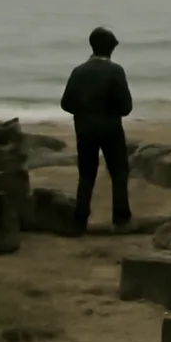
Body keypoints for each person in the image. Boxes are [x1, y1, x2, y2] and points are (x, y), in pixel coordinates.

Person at [60, 27, 134, 234]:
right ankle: (121, 218)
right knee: (119, 172)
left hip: (84, 129)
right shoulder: (115, 71)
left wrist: (84, 111)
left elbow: (65, 103)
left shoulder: (78, 71)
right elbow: (126, 108)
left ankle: (80, 220)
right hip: (111, 128)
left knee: (86, 174)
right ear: (111, 49)